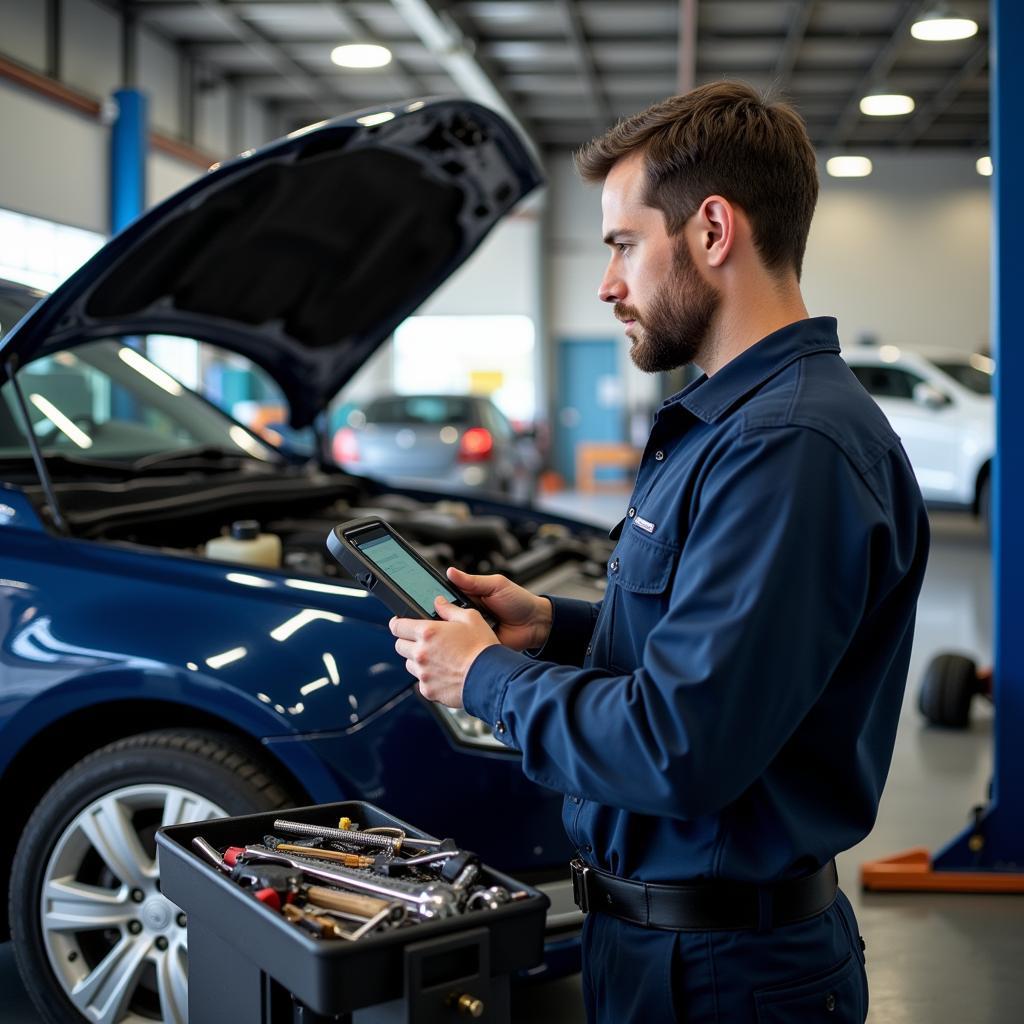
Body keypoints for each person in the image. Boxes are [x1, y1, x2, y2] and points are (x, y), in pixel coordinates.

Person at [389, 81, 929, 1023]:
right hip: (662, 948)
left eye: (624, 244)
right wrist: (555, 628)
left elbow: (680, 747)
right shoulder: (735, 427)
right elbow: (724, 649)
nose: (607, 283)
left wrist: (484, 680)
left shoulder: (788, 448)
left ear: (713, 230)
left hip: (725, 976)